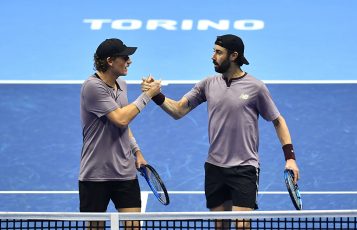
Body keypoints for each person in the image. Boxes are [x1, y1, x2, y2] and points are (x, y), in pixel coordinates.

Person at [142, 34, 300, 229]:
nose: (212, 56)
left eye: (218, 52)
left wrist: (290, 158)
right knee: (220, 225)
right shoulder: (208, 84)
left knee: (242, 226)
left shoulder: (256, 87)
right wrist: (156, 95)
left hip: (245, 167)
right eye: (213, 51)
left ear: (234, 56)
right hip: (215, 167)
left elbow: (278, 120)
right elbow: (179, 110)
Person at [79, 38, 161, 229]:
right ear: (109, 61)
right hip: (96, 174)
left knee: (134, 226)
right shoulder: (92, 86)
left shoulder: (121, 84)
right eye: (124, 57)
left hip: (125, 173)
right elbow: (121, 118)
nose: (129, 61)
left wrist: (137, 152)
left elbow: (124, 125)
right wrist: (147, 95)